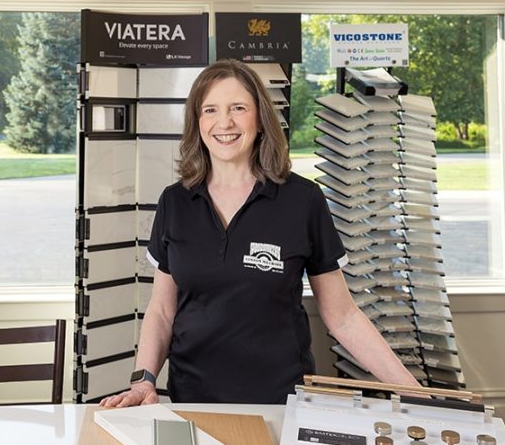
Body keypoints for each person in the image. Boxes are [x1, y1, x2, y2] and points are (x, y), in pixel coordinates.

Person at [100, 58, 419, 408]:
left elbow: (342, 316)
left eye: (238, 108)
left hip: (281, 403)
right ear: (197, 122)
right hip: (192, 401)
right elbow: (162, 310)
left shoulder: (302, 200)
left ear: (260, 119)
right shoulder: (175, 202)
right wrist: (144, 379)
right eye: (211, 110)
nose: (225, 122)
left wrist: (413, 390)